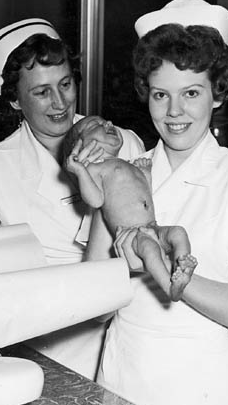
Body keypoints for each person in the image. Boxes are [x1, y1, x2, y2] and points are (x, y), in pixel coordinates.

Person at [92, 0, 228, 405]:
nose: (175, 110)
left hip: (206, 400)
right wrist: (119, 252)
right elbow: (93, 307)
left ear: (218, 94)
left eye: (191, 93)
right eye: (161, 94)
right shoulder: (124, 176)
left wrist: (166, 272)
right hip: (127, 380)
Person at [0, 18, 145, 380]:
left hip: (127, 346)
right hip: (49, 354)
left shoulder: (123, 143)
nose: (60, 103)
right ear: (14, 99)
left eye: (66, 84)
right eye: (41, 92)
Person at [62, 115, 196, 300]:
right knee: (150, 251)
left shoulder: (127, 163)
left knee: (178, 233)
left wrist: (146, 174)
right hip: (133, 233)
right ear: (80, 146)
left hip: (153, 226)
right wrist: (80, 172)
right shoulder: (96, 170)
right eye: (96, 125)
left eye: (107, 121)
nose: (108, 123)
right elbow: (96, 201)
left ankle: (183, 268)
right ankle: (170, 287)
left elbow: (144, 195)